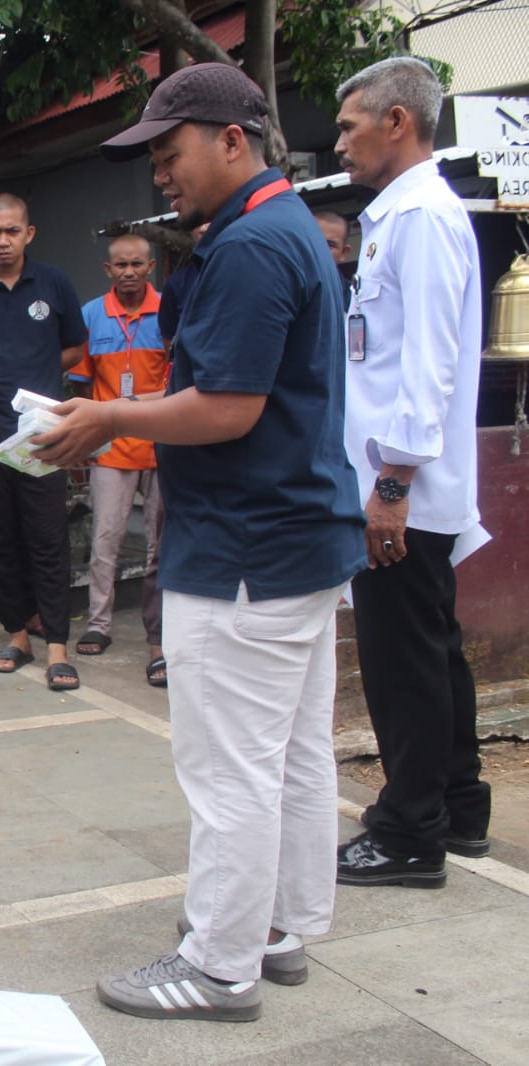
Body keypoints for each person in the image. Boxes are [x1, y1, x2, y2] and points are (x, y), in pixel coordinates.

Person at [34, 62, 366, 1022]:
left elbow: (226, 407)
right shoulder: (283, 226)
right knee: (293, 755)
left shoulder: (253, 244)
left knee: (230, 773)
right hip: (294, 540)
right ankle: (280, 928)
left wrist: (105, 418)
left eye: (168, 152)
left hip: (244, 553)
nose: (159, 176)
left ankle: (220, 966)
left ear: (230, 139)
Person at [332, 56, 491, 887]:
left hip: (403, 489)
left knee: (404, 664)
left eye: (350, 125)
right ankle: (458, 807)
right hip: (406, 483)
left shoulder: (423, 217)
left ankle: (408, 832)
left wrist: (389, 488)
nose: (340, 142)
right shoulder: (400, 214)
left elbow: (426, 365)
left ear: (397, 121)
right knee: (432, 652)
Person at [0, 193, 87, 692]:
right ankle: (15, 635)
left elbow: (73, 345)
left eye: (12, 231)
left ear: (29, 233)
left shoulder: (53, 283)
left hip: (42, 434)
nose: (3, 240)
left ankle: (56, 646)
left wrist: (41, 383)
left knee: (48, 538)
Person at [71, 234, 168, 687]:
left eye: (137, 264)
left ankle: (159, 636)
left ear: (151, 266)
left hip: (162, 445)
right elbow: (80, 385)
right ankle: (98, 623)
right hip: (112, 447)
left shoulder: (168, 310)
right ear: (107, 270)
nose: (128, 272)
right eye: (120, 265)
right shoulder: (91, 316)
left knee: (158, 544)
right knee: (105, 538)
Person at [313, 210, 357, 305]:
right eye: (313, 242)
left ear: (344, 253)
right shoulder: (282, 291)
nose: (319, 249)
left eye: (329, 245)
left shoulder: (356, 301)